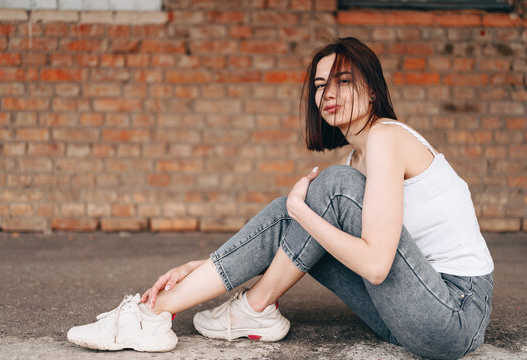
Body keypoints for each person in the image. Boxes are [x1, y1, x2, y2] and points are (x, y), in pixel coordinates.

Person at [66, 37, 494, 359]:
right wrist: (207, 265)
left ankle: (167, 313)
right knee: (312, 207)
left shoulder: (386, 137)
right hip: (405, 317)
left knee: (320, 196)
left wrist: (299, 212)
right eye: (321, 84)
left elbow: (377, 265)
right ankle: (207, 307)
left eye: (344, 81)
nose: (328, 93)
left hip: (454, 314)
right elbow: (307, 241)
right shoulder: (357, 158)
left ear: (373, 91)